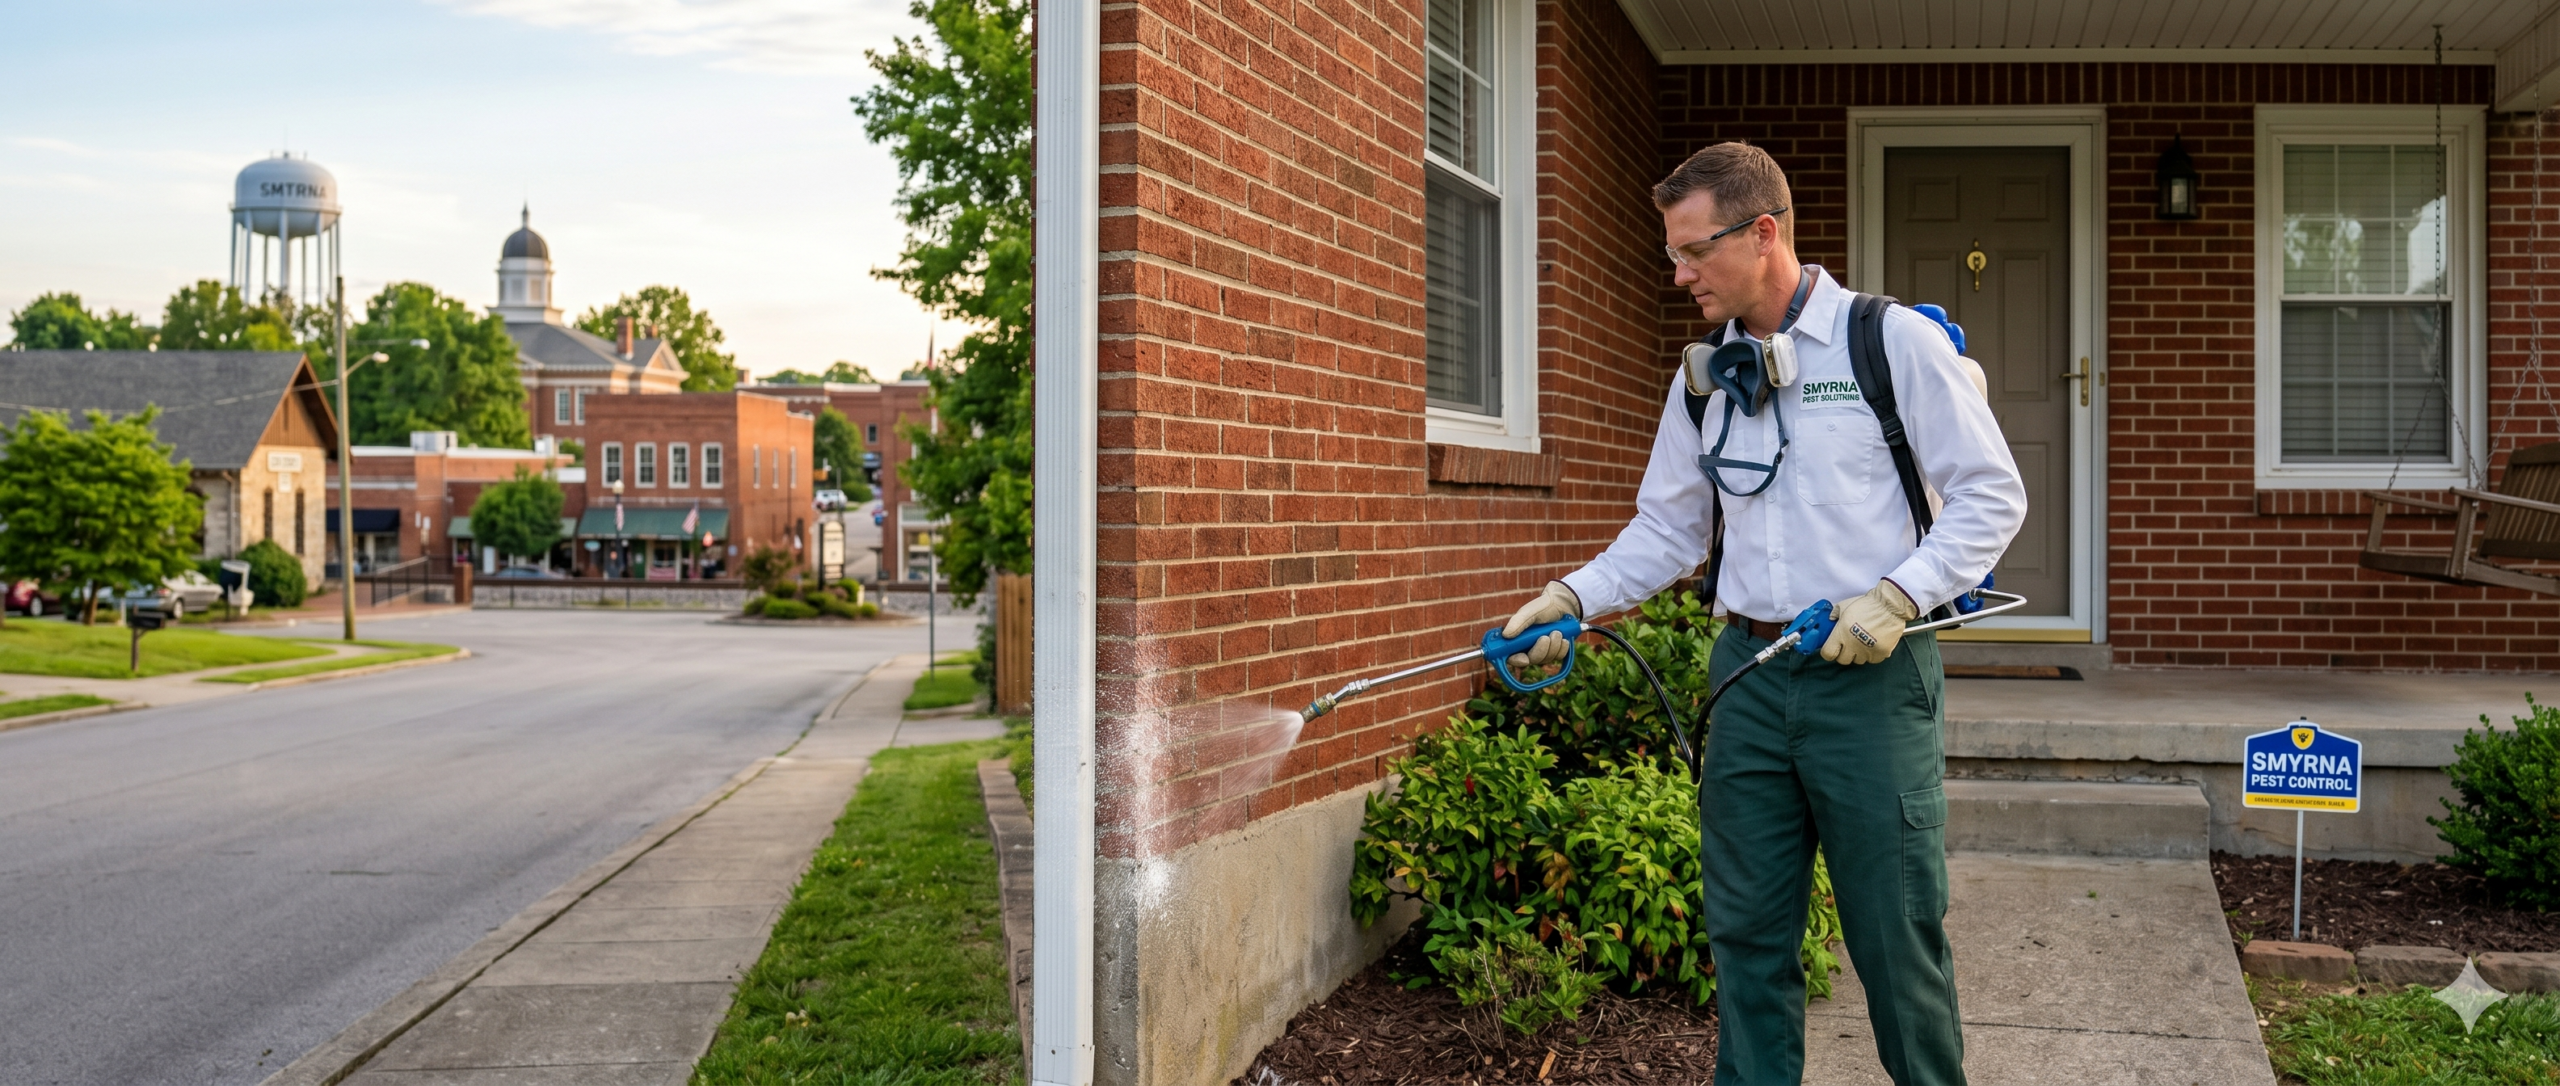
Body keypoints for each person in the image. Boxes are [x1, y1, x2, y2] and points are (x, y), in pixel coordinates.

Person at [1503, 142, 2026, 1085]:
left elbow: (1992, 494)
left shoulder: (1888, 342)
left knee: (1896, 942)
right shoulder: (1705, 379)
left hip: (1870, 683)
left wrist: (1900, 596)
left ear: (1765, 233)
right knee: (1745, 942)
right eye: (1675, 253)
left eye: (1695, 250)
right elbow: (1668, 531)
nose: (1679, 273)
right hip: (1743, 684)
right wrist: (1573, 598)